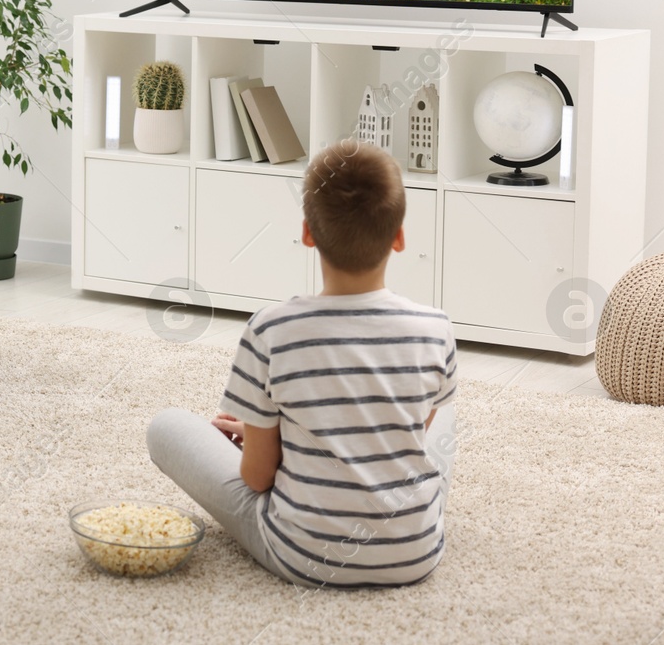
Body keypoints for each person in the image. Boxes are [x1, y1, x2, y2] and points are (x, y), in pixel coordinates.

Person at [145, 142, 458, 588]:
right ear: (399, 236)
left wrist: (264, 434)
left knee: (166, 426)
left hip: (305, 555)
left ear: (308, 233)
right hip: (416, 552)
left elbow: (256, 478)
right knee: (445, 414)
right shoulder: (437, 329)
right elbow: (410, 436)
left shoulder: (271, 329)